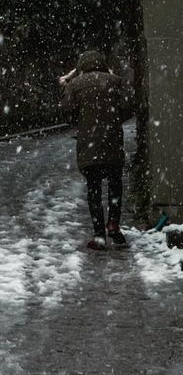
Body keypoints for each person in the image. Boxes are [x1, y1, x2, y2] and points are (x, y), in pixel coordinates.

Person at [61, 49, 130, 250]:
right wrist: (113, 121)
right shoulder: (115, 81)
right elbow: (128, 106)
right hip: (112, 141)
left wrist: (64, 89)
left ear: (81, 66)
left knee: (94, 189)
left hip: (89, 145)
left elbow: (66, 110)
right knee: (115, 184)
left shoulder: (75, 85)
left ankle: (99, 235)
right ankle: (114, 223)